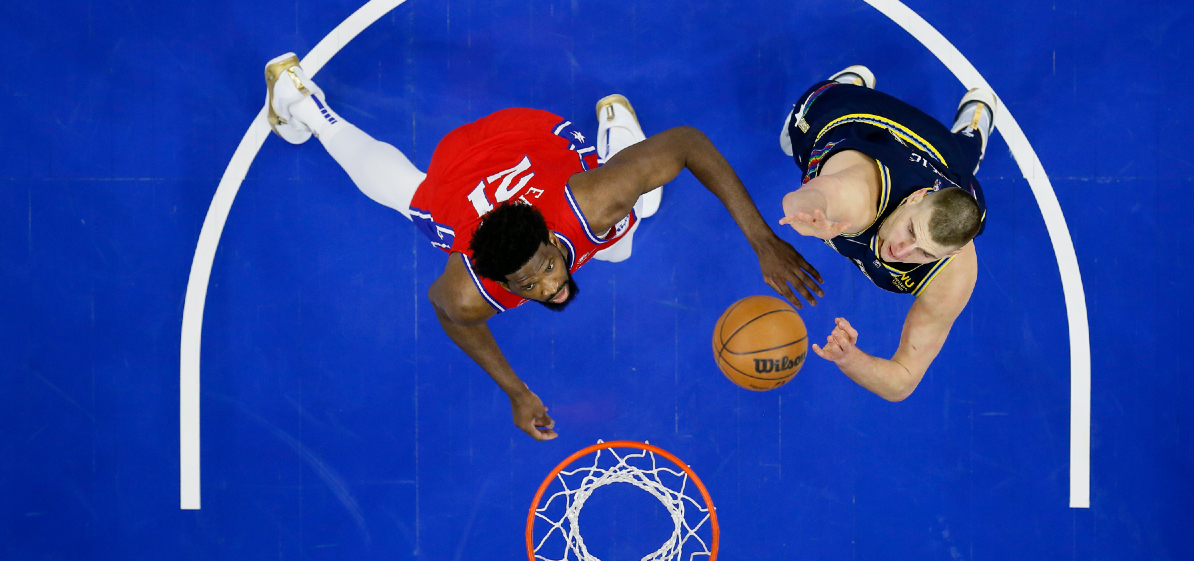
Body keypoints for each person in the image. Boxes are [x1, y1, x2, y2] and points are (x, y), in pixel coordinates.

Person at [263, 53, 823, 440]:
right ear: (499, 283)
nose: (550, 285)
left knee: (629, 224)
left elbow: (686, 143)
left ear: (554, 240)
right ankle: (299, 99)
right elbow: (449, 312)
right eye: (528, 285)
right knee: (411, 199)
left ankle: (617, 135)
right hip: (459, 169)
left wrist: (762, 241)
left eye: (548, 268)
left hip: (528, 134)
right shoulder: (470, 287)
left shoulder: (588, 204)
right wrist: (515, 389)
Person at [778, 65, 996, 401]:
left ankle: (971, 134)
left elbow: (902, 381)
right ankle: (850, 86)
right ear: (914, 198)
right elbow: (803, 199)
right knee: (793, 136)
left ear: (949, 256)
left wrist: (850, 359)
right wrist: (806, 213)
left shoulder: (952, 275)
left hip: (941, 157)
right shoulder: (858, 197)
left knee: (964, 179)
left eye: (924, 252)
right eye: (911, 230)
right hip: (854, 115)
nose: (902, 250)